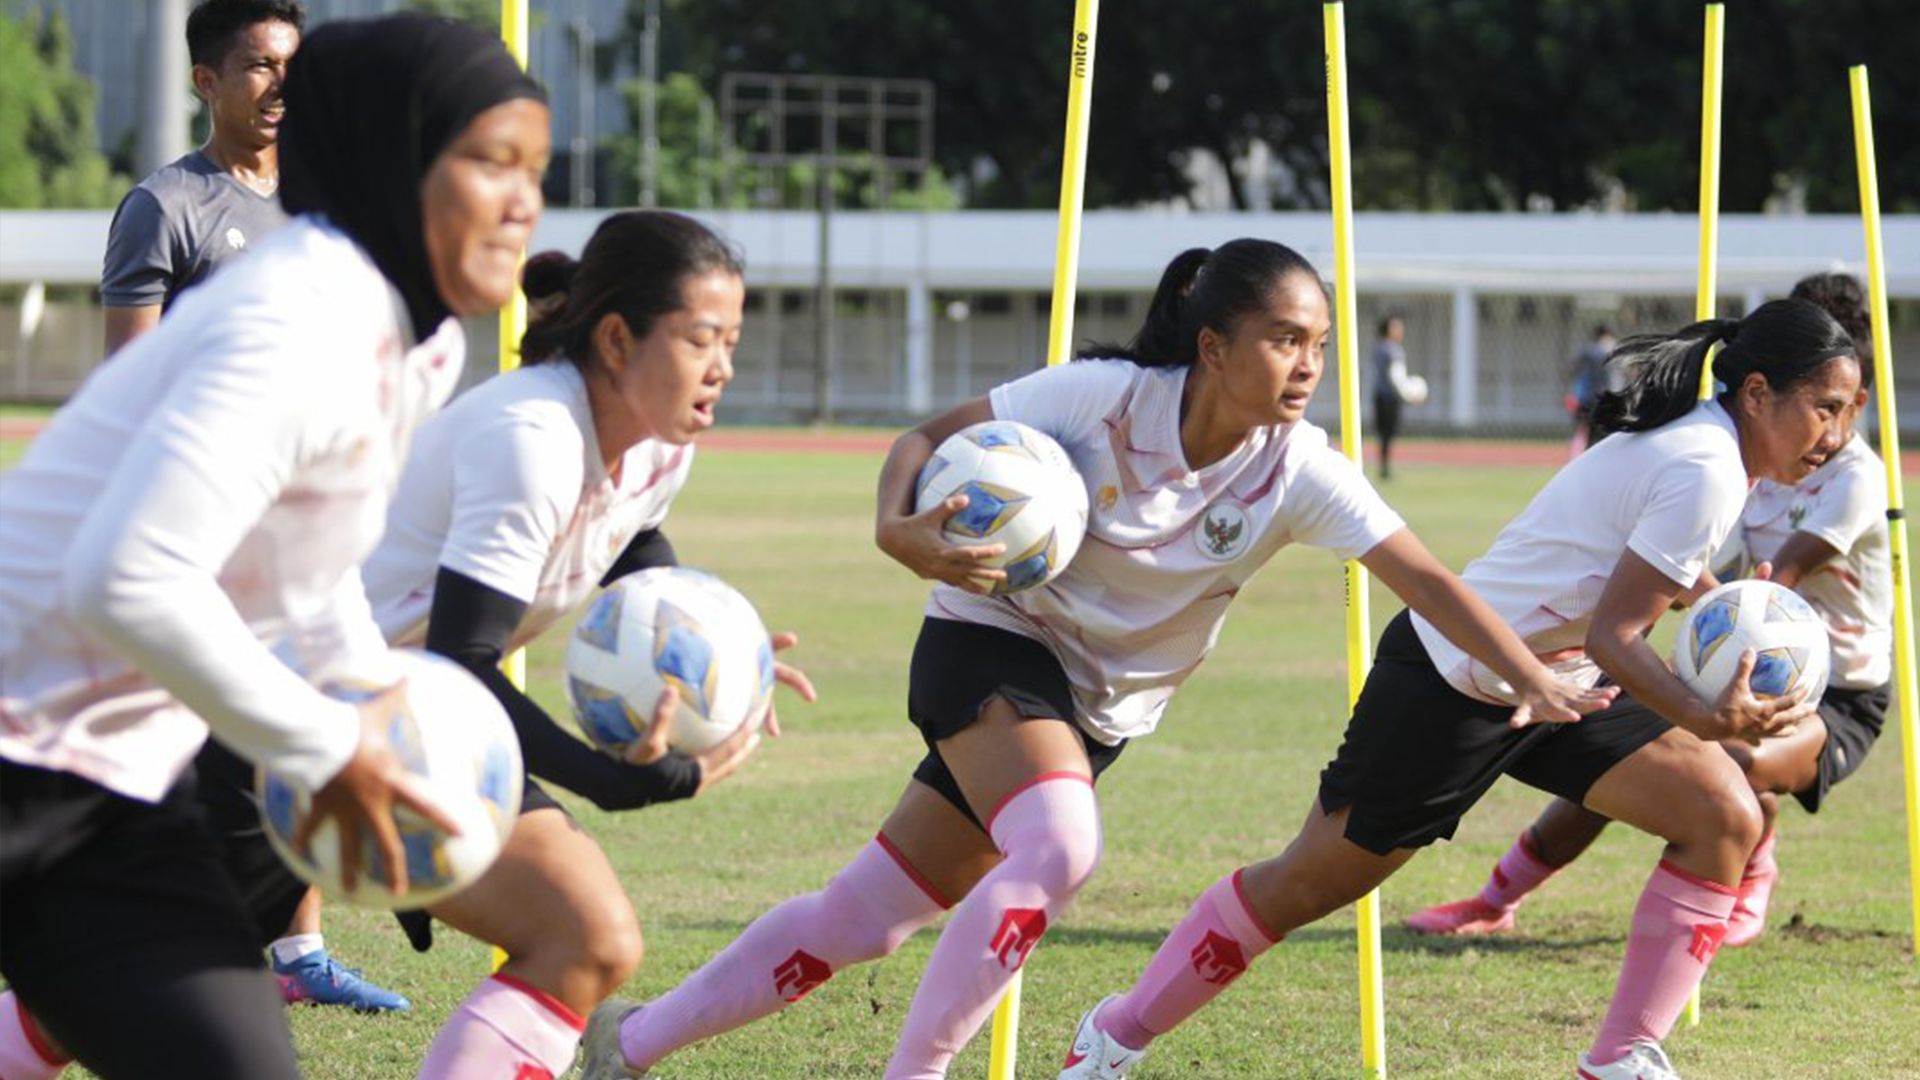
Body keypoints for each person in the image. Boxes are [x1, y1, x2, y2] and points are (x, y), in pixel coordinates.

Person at [577, 239, 1612, 1080]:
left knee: (866, 917)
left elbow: (1426, 578)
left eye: (1321, 345)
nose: (1307, 365)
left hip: (1095, 713)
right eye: (1285, 339)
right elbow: (920, 441)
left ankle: (627, 1045)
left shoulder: (1300, 469)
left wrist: (1529, 673)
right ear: (1213, 346)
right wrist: (899, 531)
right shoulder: (1099, 397)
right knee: (1062, 847)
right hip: (991, 642)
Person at [1053, 298, 1859, 1080]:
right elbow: (1619, 634)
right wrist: (1705, 715)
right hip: (1453, 678)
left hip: (1563, 684)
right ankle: (1114, 1036)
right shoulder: (1707, 466)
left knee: (1722, 816)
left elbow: (1625, 579)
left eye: (1851, 412)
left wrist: (1722, 604)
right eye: (1826, 408)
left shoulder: (1712, 450)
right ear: (1758, 394)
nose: (1840, 434)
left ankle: (1622, 1057)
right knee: (1305, 883)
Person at [0, 16, 549, 1079]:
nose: (523, 200)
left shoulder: (417, 336)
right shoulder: (301, 321)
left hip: (108, 786)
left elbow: (311, 559)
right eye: (490, 161)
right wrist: (332, 746)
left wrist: (372, 706)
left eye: (534, 166)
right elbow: (127, 576)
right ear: (395, 157)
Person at [362, 209, 809, 1080]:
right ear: (615, 339)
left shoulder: (659, 446)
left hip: (411, 719)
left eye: (733, 340)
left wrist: (719, 651)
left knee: (588, 938)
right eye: (700, 340)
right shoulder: (530, 440)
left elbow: (636, 555)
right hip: (286, 715)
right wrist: (610, 780)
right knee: (114, 981)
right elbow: (462, 658)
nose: (722, 368)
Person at [1405, 273, 1890, 949]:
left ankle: (1756, 870)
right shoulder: (1738, 457)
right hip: (1745, 653)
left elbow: (1779, 577)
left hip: (1838, 691)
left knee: (1723, 767)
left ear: (1854, 394)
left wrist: (1710, 638)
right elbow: (1690, 564)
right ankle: (1496, 898)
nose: (1827, 422)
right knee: (1636, 758)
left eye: (1836, 401)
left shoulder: (1855, 474)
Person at [101, 0, 303, 356]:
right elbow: (127, 384)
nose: (282, 82)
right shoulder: (163, 208)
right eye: (261, 65)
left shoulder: (323, 200)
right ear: (206, 82)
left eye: (293, 65)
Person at [1370, 314, 1414, 479]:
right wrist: (1409, 393)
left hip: (1379, 394)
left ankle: (1384, 466)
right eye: (1396, 327)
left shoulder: (1378, 348)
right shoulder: (1393, 350)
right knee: (1388, 433)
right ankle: (1385, 468)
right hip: (1390, 396)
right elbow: (1396, 376)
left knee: (1383, 434)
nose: (1400, 330)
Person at [1565, 324, 1617, 457]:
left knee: (1583, 429)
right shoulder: (1611, 350)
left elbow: (1572, 367)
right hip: (1604, 397)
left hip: (1587, 397)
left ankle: (1576, 455)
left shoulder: (1588, 351)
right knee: (1601, 432)